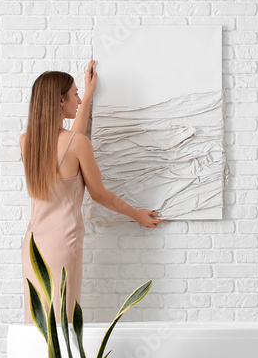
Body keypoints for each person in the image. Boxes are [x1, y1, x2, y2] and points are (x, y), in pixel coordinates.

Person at [20, 59, 165, 326]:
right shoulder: (77, 144)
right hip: (63, 245)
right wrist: (137, 215)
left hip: (34, 246)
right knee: (62, 324)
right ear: (60, 102)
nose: (77, 99)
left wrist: (87, 96)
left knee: (39, 324)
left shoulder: (28, 141)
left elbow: (70, 141)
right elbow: (99, 195)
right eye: (74, 94)